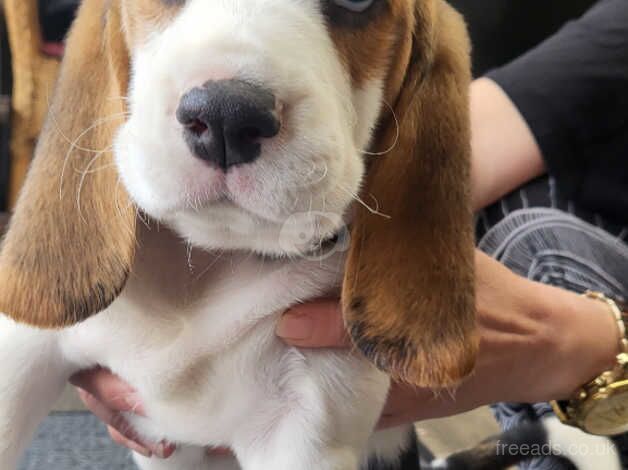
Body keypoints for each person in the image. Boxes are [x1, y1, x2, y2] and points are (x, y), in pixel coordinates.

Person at [69, 0, 628, 467]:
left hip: (573, 302)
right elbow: (468, 133)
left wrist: (588, 345)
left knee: (537, 242)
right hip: (517, 258)